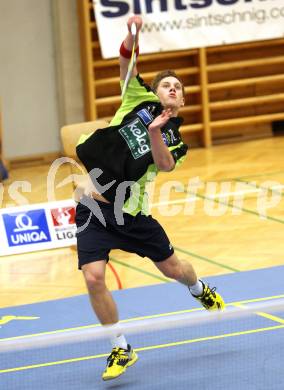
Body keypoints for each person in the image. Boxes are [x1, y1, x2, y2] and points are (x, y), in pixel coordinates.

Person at [75, 15, 225, 381]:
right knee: (94, 278)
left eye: (178, 87)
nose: (173, 88)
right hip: (95, 207)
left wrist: (157, 132)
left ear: (183, 101)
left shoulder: (177, 139)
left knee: (175, 270)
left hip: (134, 216)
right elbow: (127, 61)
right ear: (154, 92)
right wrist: (131, 35)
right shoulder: (135, 97)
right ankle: (120, 346)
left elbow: (165, 165)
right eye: (167, 85)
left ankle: (199, 288)